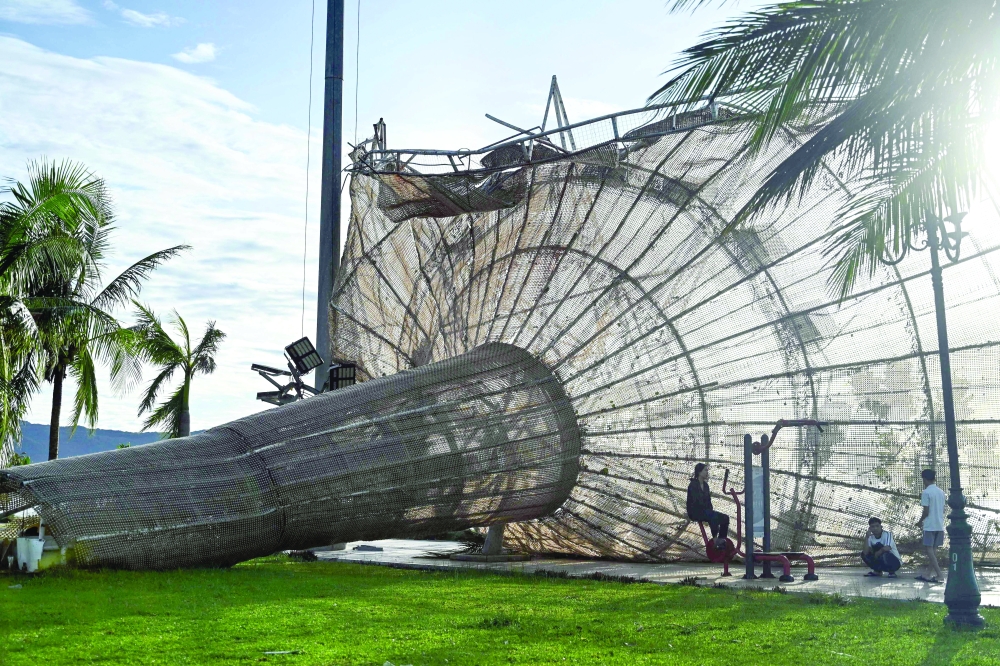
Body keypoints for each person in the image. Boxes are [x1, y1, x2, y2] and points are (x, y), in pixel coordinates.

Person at [686, 463, 729, 550]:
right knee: (712, 516)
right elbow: (695, 502)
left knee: (725, 518)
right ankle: (715, 540)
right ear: (699, 472)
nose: (707, 472)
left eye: (707, 470)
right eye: (705, 470)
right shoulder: (693, 485)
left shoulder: (706, 486)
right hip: (695, 512)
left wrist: (710, 510)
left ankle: (721, 539)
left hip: (705, 511)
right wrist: (709, 512)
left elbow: (708, 501)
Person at [915, 468, 946, 584]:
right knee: (933, 550)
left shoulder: (926, 492)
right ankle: (927, 574)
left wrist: (920, 521)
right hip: (939, 524)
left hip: (929, 525)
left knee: (929, 550)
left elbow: (926, 511)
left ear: (924, 479)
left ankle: (939, 574)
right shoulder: (941, 492)